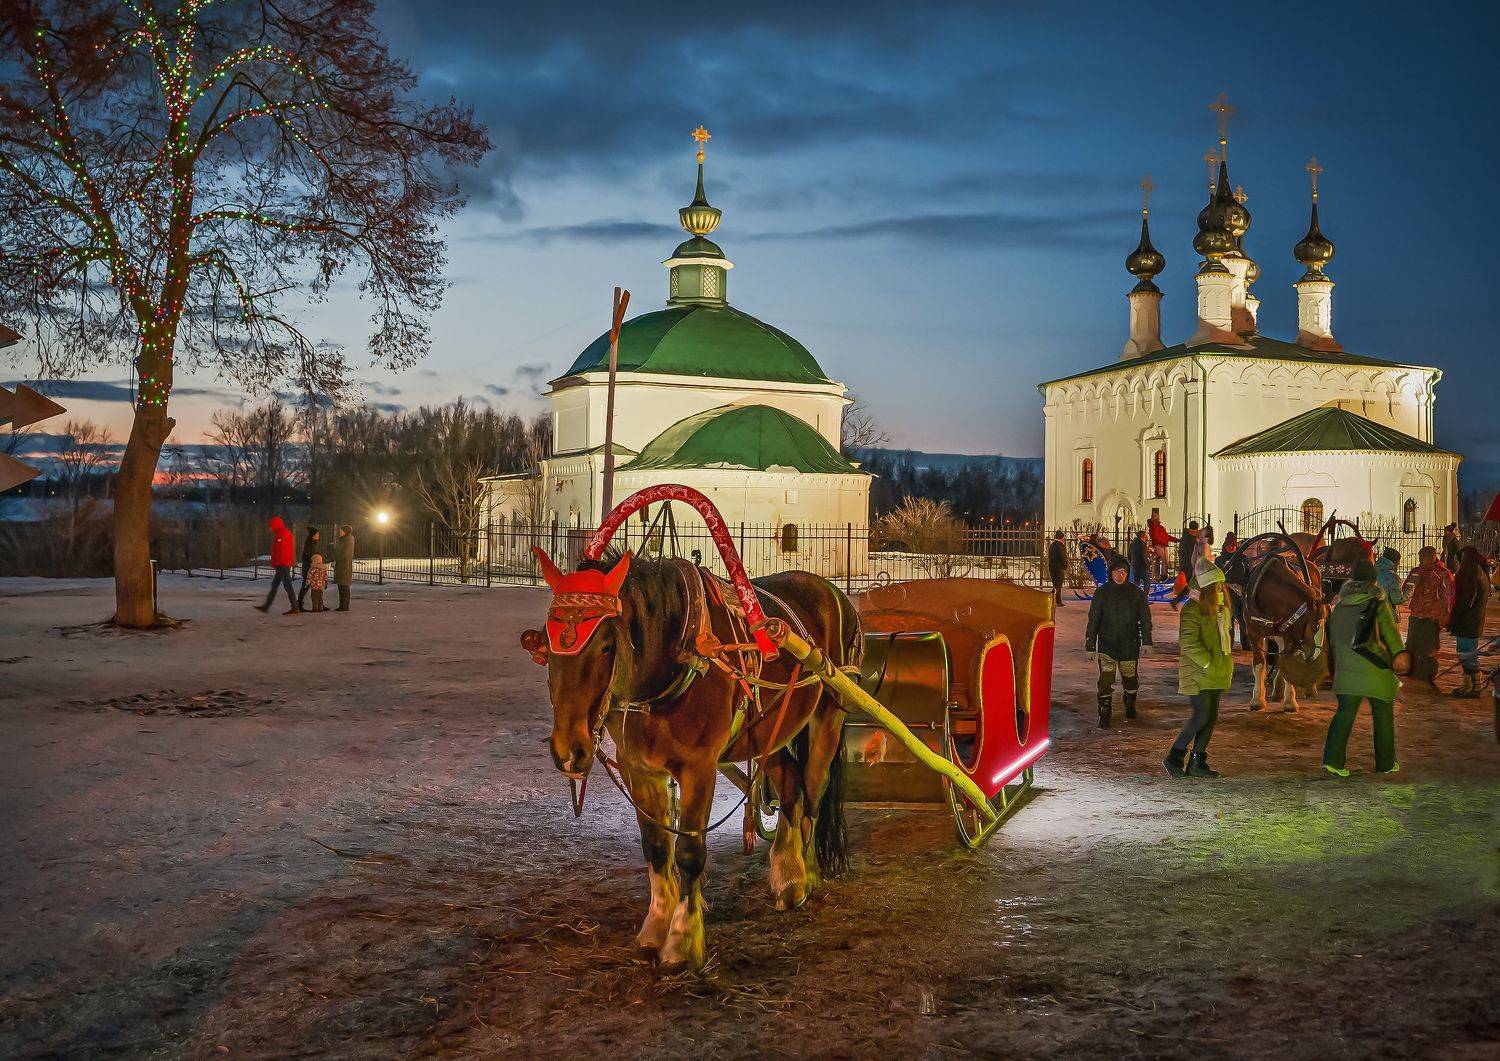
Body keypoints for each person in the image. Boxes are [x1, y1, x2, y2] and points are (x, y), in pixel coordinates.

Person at [1322, 559, 1404, 776]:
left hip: (1346, 671)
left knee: (1344, 714)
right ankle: (1385, 764)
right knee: (1383, 716)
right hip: (1376, 669)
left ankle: (1333, 761)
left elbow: (1334, 641)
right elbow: (1392, 635)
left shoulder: (1339, 607)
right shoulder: (1378, 603)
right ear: (1372, 580)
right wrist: (1399, 655)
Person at [1165, 566, 1233, 779]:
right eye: (1216, 585)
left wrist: (1219, 666)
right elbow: (1188, 643)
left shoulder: (1219, 610)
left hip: (1215, 672)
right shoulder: (1192, 609)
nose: (1221, 589)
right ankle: (1174, 756)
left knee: (1210, 717)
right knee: (1201, 716)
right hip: (1198, 673)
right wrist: (1207, 664)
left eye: (1222, 584)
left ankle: (1197, 760)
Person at [1085, 556, 1154, 727]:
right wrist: (1090, 644)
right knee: (1106, 680)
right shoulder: (1102, 593)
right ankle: (1105, 712)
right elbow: (1094, 619)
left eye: (1123, 572)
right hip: (1107, 644)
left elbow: (1145, 618)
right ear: (1111, 573)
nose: (1120, 575)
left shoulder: (1136, 593)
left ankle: (1130, 702)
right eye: (1117, 571)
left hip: (1129, 644)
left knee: (1130, 678)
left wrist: (1147, 641)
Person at [1402, 546, 1453, 690]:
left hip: (1432, 616)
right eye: (1419, 557)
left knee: (1428, 647)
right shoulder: (1416, 572)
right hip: (1416, 614)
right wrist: (1412, 585)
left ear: (1432, 557)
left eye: (1422, 557)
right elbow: (1406, 591)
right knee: (1412, 644)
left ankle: (1427, 675)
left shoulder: (1442, 573)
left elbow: (1448, 596)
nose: (1420, 561)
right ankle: (1411, 671)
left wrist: (1444, 616)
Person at [1448, 546, 1492, 699]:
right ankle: (1470, 686)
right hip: (1473, 621)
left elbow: (1466, 602)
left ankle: (1472, 687)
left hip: (1468, 622)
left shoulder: (1472, 575)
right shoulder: (1479, 572)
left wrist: (1454, 617)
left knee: (1466, 654)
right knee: (1467, 653)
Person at [255, 516, 298, 614]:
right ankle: (266, 606)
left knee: (287, 585)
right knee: (276, 585)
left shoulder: (282, 534)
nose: (269, 528)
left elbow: (281, 551)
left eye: (271, 526)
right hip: (282, 563)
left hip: (282, 564)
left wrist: (277, 563)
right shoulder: (281, 534)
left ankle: (295, 606)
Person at [1170, 520, 1201, 609]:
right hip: (1190, 565)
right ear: (1196, 529)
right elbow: (1192, 553)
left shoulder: (1185, 537)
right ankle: (1193, 604)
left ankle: (1176, 601)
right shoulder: (1191, 539)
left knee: (1191, 585)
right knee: (1193, 585)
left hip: (1186, 564)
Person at [295, 525, 322, 612]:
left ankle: (320, 604)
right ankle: (299, 604)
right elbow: (306, 557)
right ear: (313, 535)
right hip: (309, 569)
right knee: (306, 586)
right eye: (317, 534)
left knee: (316, 586)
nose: (318, 535)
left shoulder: (313, 543)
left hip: (314, 568)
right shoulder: (310, 544)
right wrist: (313, 560)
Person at [1147, 509, 1177, 581]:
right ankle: (1158, 576)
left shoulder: (1160, 527)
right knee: (1160, 561)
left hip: (1163, 546)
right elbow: (1156, 537)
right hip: (1159, 546)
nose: (1157, 518)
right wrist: (1163, 542)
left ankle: (1163, 575)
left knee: (1165, 561)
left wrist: (1176, 540)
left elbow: (1166, 536)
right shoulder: (1153, 526)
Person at [332, 524, 356, 612]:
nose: (339, 532)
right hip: (341, 565)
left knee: (344, 586)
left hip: (344, 566)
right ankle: (342, 605)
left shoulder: (348, 540)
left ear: (345, 532)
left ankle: (344, 606)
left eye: (341, 531)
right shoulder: (344, 540)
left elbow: (344, 553)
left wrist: (336, 557)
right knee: (341, 586)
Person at [1047, 530, 1068, 607]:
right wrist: (1065, 565)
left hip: (1052, 567)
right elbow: (1062, 557)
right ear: (1062, 537)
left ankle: (1052, 600)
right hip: (1059, 567)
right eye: (1063, 537)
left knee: (1055, 584)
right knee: (1058, 584)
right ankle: (1058, 601)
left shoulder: (1052, 545)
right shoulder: (1060, 546)